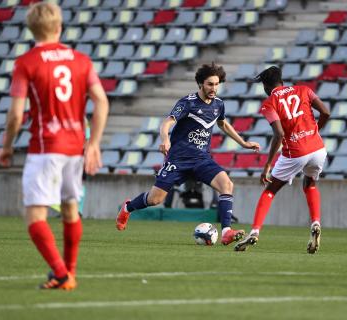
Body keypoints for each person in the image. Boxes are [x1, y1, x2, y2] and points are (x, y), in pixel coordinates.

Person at [0, 3, 109, 290]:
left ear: (31, 29)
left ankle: (60, 273)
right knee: (71, 210)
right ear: (59, 27)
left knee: (35, 215)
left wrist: (7, 146)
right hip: (74, 147)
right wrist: (93, 143)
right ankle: (69, 273)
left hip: (45, 147)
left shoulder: (26, 63)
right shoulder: (81, 61)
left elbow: (14, 115)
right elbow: (101, 101)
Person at [115, 63, 260, 245]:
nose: (214, 88)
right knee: (155, 199)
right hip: (178, 160)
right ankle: (127, 207)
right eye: (209, 84)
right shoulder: (187, 102)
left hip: (201, 160)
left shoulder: (218, 105)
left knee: (227, 184)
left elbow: (223, 124)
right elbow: (167, 123)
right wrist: (165, 139)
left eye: (216, 84)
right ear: (200, 83)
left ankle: (227, 231)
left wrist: (244, 143)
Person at [234, 66, 330, 254]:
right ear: (282, 80)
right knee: (310, 184)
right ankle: (316, 223)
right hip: (318, 148)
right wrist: (315, 131)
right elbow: (326, 113)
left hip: (296, 151)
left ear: (265, 86)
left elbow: (278, 134)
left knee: (270, 191)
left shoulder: (269, 103)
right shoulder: (304, 89)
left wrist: (267, 165)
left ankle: (254, 231)